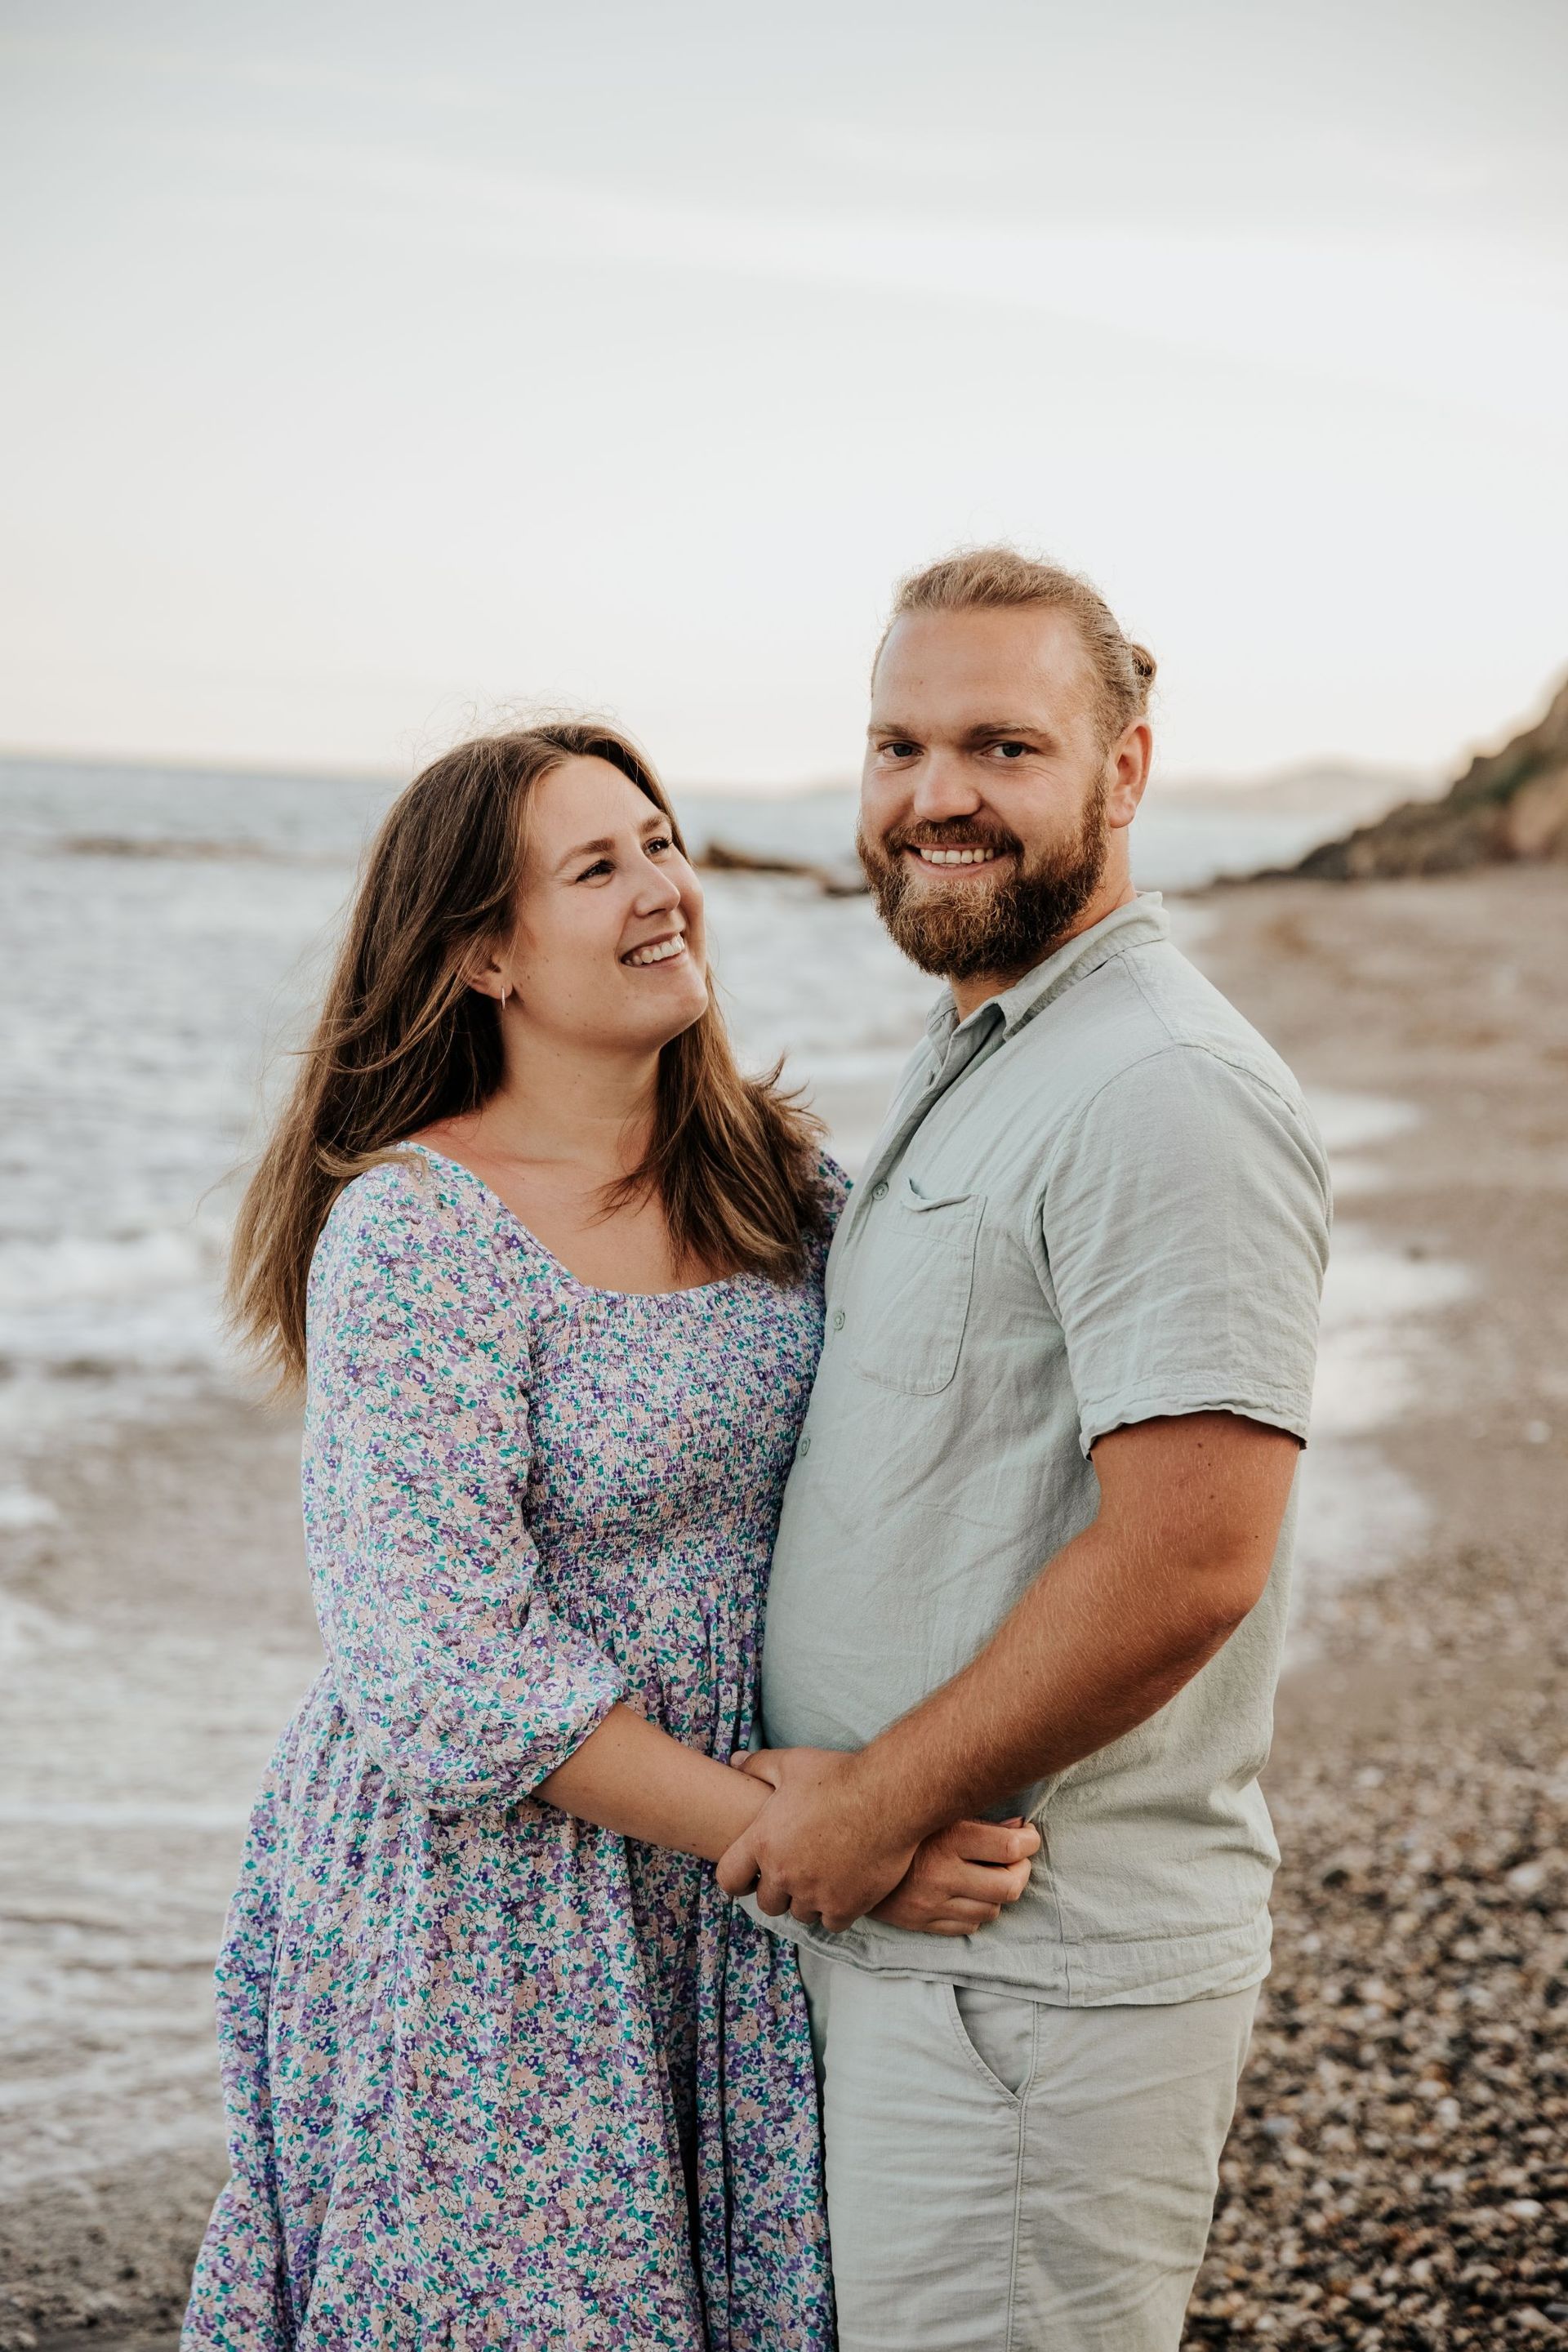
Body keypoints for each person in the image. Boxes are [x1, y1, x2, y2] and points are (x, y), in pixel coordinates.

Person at [183, 721, 1038, 2350]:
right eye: (600, 866)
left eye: (663, 844)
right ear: (484, 954)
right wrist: (817, 1838)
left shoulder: (786, 1187)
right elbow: (439, 1664)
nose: (666, 891)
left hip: (727, 1880)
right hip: (497, 1887)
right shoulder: (418, 1230)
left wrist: (901, 1768)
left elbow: (940, 1440)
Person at [719, 550, 1332, 2352]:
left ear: (1125, 771)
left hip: (1032, 1978)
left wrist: (874, 1802)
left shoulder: (1164, 1090)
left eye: (1001, 744)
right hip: (914, 1943)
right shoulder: (986, 1042)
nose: (934, 797)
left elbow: (1190, 1558)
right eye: (897, 744)